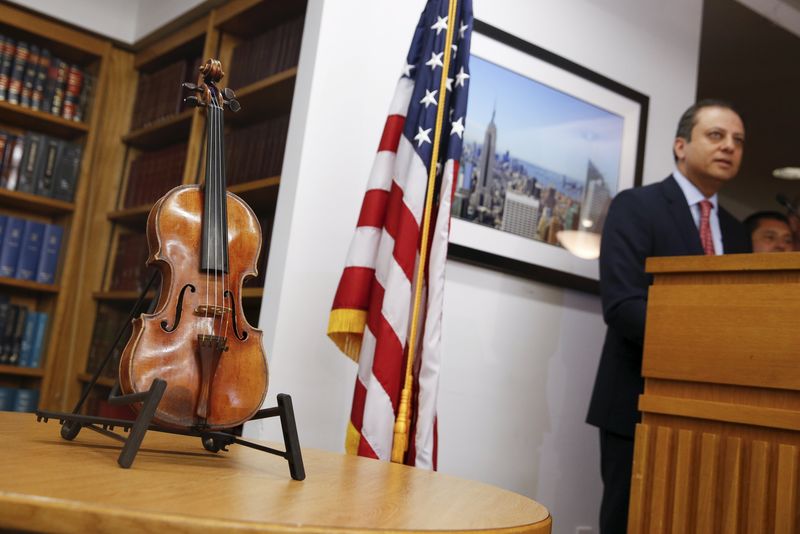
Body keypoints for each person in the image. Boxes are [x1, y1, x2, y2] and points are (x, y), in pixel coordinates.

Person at [585, 99, 752, 533]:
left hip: (715, 413)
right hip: (638, 403)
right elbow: (623, 306)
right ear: (681, 145)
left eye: (738, 141)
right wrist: (710, 352)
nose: (729, 147)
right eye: (716, 136)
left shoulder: (736, 231)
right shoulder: (636, 206)